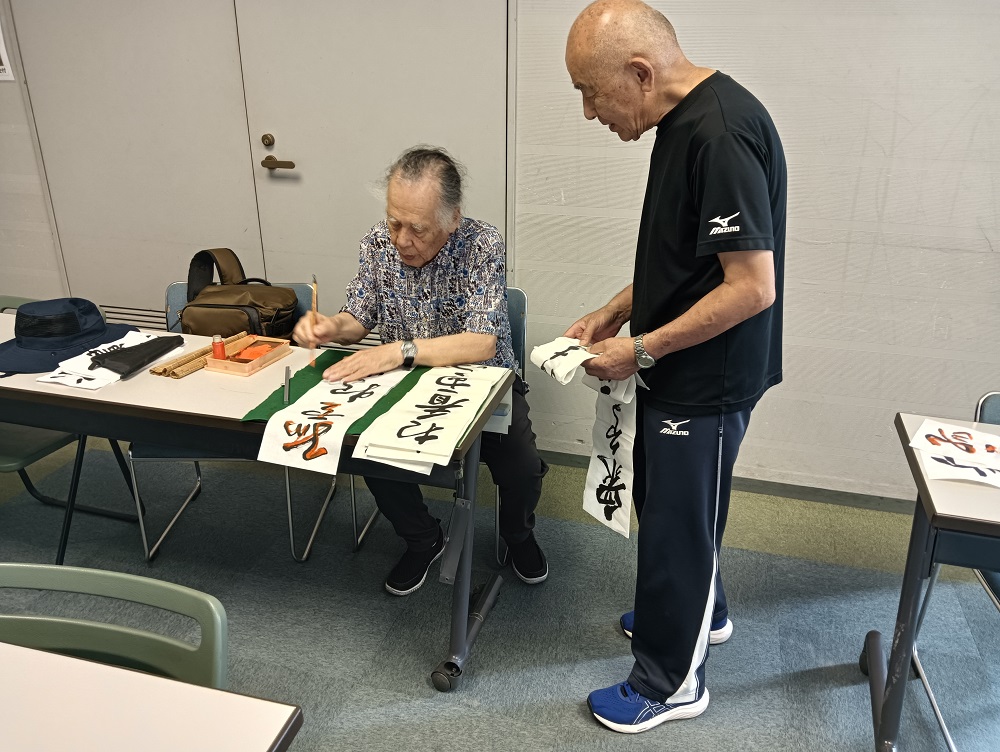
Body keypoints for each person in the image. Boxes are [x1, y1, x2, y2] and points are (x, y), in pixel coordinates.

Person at [563, 0, 786, 734]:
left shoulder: (720, 134)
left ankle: (670, 682)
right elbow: (685, 259)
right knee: (674, 510)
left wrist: (641, 348)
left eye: (591, 92)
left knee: (675, 527)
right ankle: (699, 612)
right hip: (681, 364)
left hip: (707, 376)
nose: (589, 112)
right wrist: (615, 311)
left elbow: (751, 287)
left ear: (639, 72)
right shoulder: (679, 123)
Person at [293, 146, 549, 596]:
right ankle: (423, 538)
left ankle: (517, 535)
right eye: (394, 222)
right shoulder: (377, 243)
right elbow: (359, 316)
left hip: (484, 384)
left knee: (522, 467)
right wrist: (332, 326)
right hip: (406, 386)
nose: (401, 240)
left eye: (418, 229)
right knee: (369, 452)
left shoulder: (481, 245)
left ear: (453, 219)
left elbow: (482, 342)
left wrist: (398, 352)